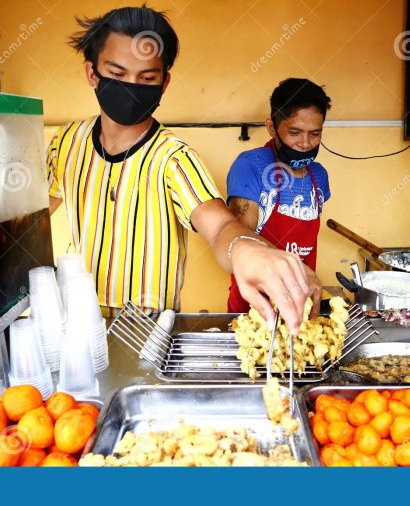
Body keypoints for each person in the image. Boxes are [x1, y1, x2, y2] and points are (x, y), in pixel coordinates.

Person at [46, 6, 321, 331]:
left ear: (163, 84)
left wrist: (248, 251)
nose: (132, 86)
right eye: (118, 74)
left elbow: (220, 228)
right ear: (92, 73)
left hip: (147, 336)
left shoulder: (174, 159)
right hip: (76, 326)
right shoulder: (66, 142)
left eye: (147, 78)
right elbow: (28, 221)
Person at [226, 78, 331, 313]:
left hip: (300, 305)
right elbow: (240, 237)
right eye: (295, 132)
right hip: (252, 307)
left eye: (315, 134)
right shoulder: (251, 166)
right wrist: (295, 267)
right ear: (272, 127)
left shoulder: (319, 176)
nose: (305, 143)